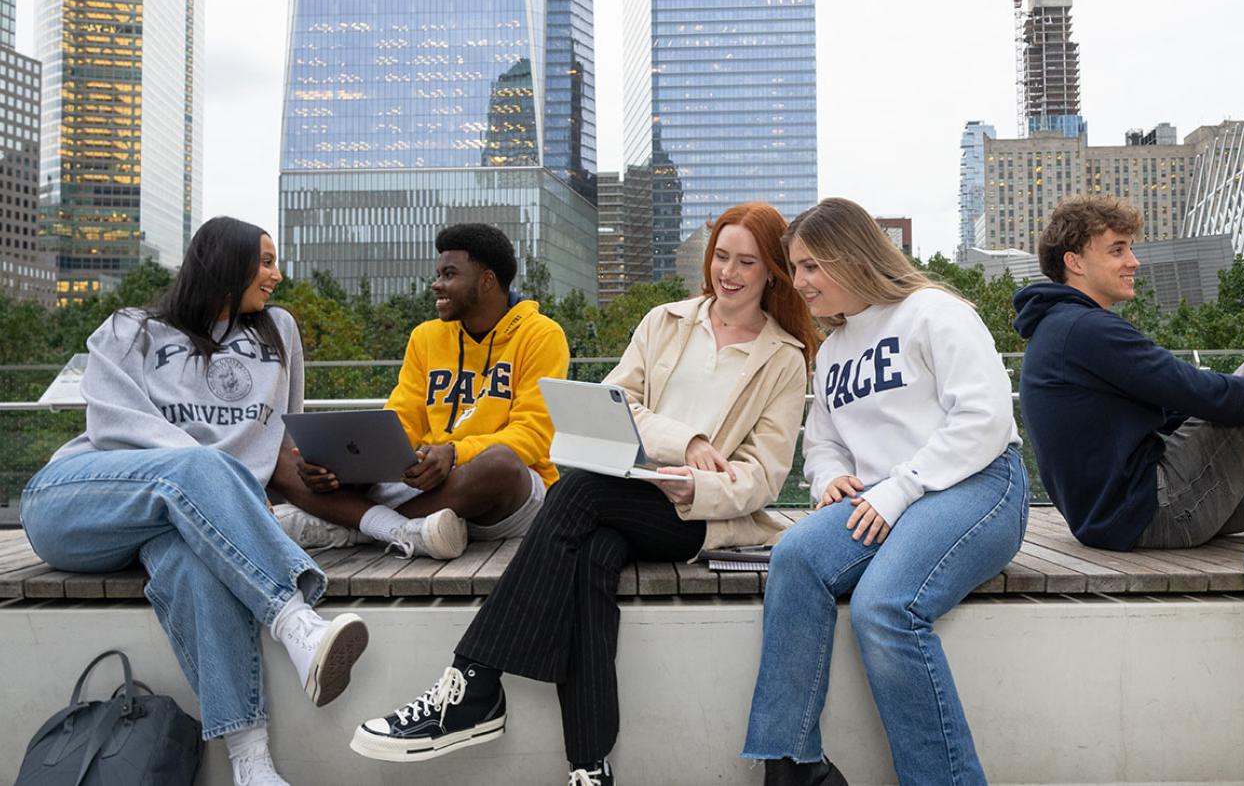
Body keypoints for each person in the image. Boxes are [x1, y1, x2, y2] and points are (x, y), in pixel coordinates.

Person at [349, 202, 816, 786]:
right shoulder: (665, 322)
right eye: (721, 255)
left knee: (578, 493)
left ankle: (472, 681)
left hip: (694, 513)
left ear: (771, 270)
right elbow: (617, 404)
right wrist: (687, 440)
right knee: (589, 556)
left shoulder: (784, 358)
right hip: (627, 491)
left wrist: (693, 480)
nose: (729, 272)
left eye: (747, 261)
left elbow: (764, 474)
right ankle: (589, 768)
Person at [20, 218, 369, 786]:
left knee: (195, 567)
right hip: (80, 499)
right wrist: (210, 477)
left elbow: (282, 434)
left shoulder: (276, 332)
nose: (277, 275)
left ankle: (251, 764)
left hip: (182, 516)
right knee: (196, 467)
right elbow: (113, 425)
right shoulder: (132, 329)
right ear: (225, 263)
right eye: (264, 261)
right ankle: (295, 620)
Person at [741, 197, 1027, 786]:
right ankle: (794, 765)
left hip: (977, 484)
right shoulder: (836, 348)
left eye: (813, 266)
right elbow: (822, 441)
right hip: (880, 500)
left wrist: (900, 488)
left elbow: (985, 418)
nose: (801, 283)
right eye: (796, 269)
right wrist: (828, 477)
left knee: (885, 606)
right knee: (794, 556)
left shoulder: (933, 312)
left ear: (854, 255)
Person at [1013, 193, 1244, 551]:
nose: (1133, 262)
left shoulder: (1061, 328)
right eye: (1117, 250)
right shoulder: (1085, 329)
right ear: (1076, 262)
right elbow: (1205, 394)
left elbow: (1173, 410)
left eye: (1130, 249)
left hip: (1122, 518)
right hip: (1157, 508)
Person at [275, 223, 570, 560]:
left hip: (501, 495)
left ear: (487, 281)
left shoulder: (542, 335)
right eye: (438, 273)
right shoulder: (426, 337)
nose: (436, 284)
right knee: (296, 459)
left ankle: (354, 528)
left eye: (449, 274)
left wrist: (454, 454)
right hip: (429, 488)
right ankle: (396, 527)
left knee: (501, 464)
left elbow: (533, 437)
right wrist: (350, 459)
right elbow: (403, 418)